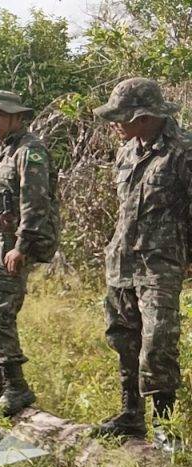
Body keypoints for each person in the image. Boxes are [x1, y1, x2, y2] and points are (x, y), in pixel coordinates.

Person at [91, 78, 192, 440]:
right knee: (123, 338)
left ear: (145, 117)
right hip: (121, 262)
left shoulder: (183, 151)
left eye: (121, 117)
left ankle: (164, 426)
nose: (114, 124)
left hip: (160, 264)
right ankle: (131, 414)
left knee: (158, 342)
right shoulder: (126, 152)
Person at [0, 91, 57, 416]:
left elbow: (36, 202)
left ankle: (17, 386)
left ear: (17, 117)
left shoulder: (30, 151)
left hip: (10, 244)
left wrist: (22, 246)